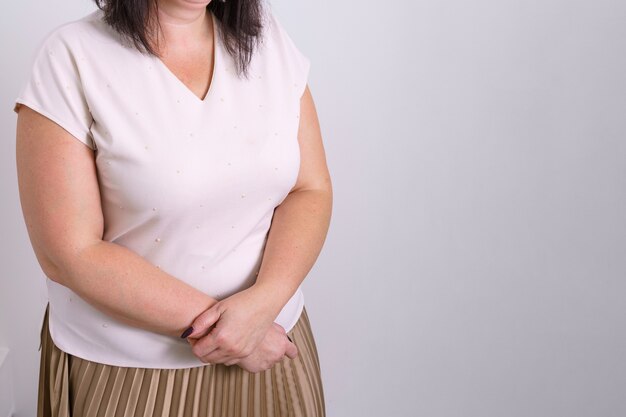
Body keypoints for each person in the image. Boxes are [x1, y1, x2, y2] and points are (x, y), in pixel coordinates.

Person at [14, 0, 332, 415]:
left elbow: (310, 189)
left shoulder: (266, 39)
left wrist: (264, 305)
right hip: (129, 373)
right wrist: (231, 332)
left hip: (273, 345)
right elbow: (68, 253)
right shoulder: (71, 56)